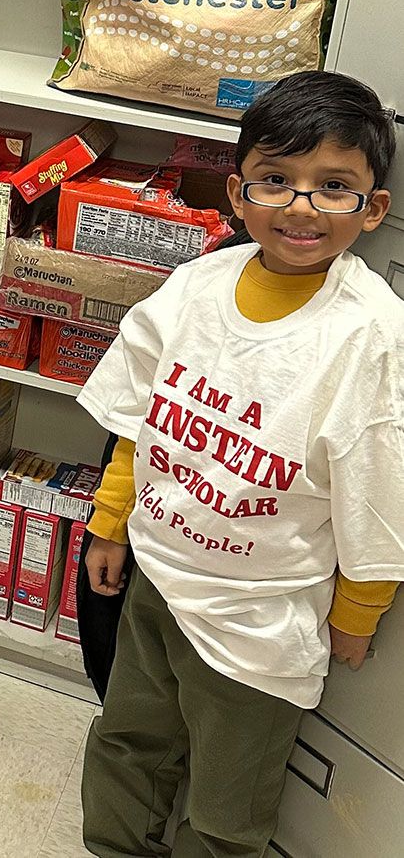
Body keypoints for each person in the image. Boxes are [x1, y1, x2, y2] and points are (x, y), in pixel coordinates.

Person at [78, 70, 404, 857]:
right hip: (158, 577)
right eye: (277, 180)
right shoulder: (198, 283)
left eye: (333, 186)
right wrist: (110, 523)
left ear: (374, 209)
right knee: (127, 741)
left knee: (226, 805)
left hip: (258, 618)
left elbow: (377, 491)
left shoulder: (372, 336)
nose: (300, 204)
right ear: (236, 190)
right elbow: (138, 420)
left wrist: (356, 612)